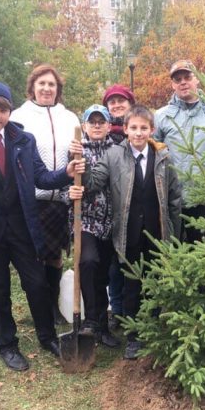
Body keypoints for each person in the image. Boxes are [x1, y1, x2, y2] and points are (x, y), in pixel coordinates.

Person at [0, 81, 84, 371]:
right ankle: (7, 344)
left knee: (37, 284)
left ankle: (47, 337)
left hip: (23, 229)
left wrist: (66, 173)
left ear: (10, 111)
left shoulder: (23, 140)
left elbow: (42, 178)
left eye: (3, 109)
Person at [70, 105, 181, 360]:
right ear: (126, 130)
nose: (139, 133)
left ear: (152, 130)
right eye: (134, 128)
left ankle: (154, 328)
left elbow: (174, 198)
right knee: (132, 283)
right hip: (129, 233)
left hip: (157, 232)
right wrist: (80, 165)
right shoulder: (114, 155)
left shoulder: (163, 157)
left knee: (156, 281)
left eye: (144, 128)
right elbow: (94, 183)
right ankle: (133, 337)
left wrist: (174, 235)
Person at [10, 64, 81, 326]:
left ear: (58, 89)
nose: (47, 89)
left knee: (54, 255)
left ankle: (52, 306)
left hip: (60, 198)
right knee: (33, 257)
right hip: (31, 199)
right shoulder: (19, 117)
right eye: (42, 84)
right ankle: (38, 308)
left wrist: (78, 151)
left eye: (52, 84)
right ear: (32, 87)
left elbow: (78, 154)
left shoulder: (70, 117)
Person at [154, 60, 205, 244]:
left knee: (201, 251)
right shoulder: (162, 116)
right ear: (172, 85)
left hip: (204, 198)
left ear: (197, 80)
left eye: (187, 77)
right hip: (173, 198)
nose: (183, 82)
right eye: (178, 79)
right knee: (174, 250)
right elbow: (154, 152)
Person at [67, 104, 120, 348]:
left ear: (109, 125)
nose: (97, 125)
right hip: (85, 220)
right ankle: (89, 321)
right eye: (92, 122)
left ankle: (102, 325)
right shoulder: (77, 151)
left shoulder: (119, 150)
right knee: (88, 262)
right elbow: (64, 183)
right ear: (85, 125)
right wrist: (71, 190)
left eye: (101, 122)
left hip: (111, 223)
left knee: (102, 275)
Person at [101, 84, 135, 329]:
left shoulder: (139, 132)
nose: (116, 105)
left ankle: (137, 308)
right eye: (111, 102)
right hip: (110, 210)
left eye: (120, 100)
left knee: (133, 260)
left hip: (136, 208)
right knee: (114, 264)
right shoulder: (102, 135)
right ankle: (117, 310)